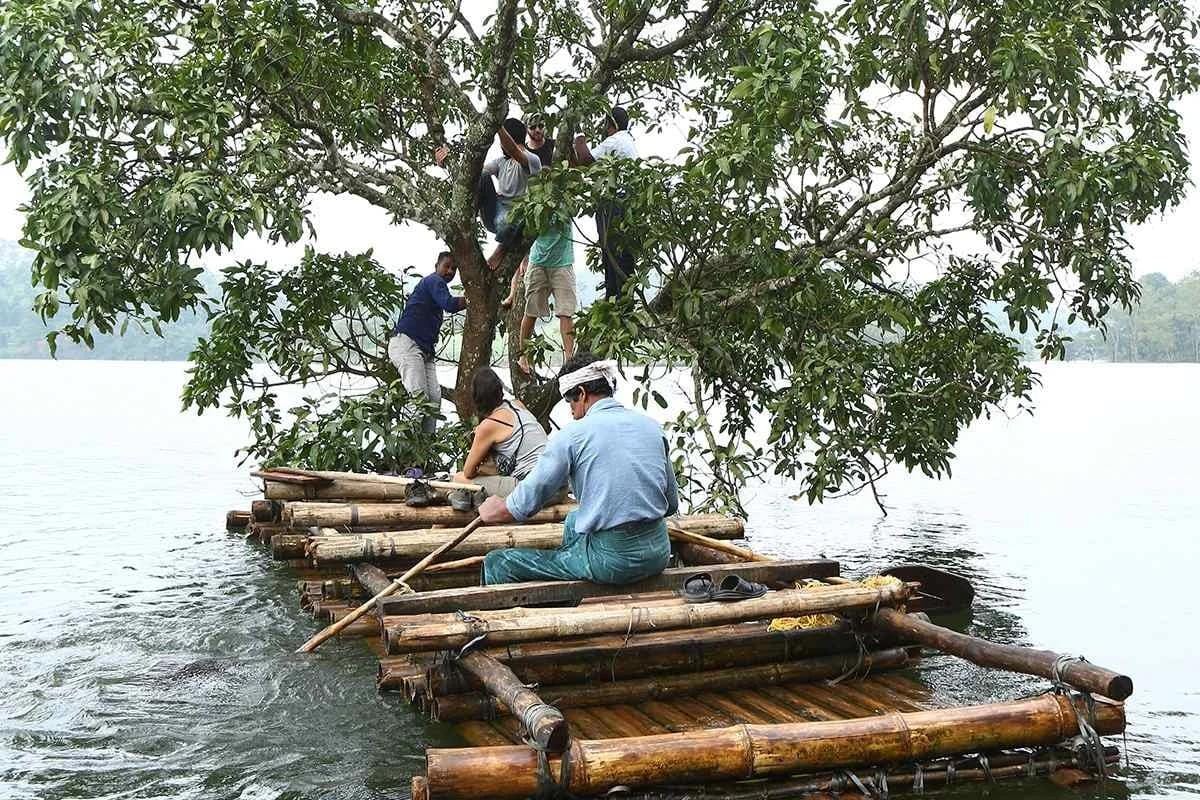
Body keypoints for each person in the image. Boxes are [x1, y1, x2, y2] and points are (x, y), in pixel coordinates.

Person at [477, 353, 679, 585]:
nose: (571, 411)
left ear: (582, 393)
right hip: (657, 553)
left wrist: (499, 508)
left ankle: (555, 596)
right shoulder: (652, 427)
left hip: (612, 562)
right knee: (574, 520)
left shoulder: (573, 435)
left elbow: (526, 500)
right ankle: (568, 582)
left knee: (497, 562)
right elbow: (671, 504)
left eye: (569, 401)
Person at [511, 118, 577, 374]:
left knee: (565, 313)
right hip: (539, 260)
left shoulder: (563, 198)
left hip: (562, 261)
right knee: (531, 312)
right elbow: (526, 229)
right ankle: (523, 357)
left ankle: (569, 359)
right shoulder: (534, 201)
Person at [438, 118, 541, 270]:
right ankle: (467, 217)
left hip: (517, 217)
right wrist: (446, 160)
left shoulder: (533, 160)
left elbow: (514, 151)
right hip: (495, 212)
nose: (500, 145)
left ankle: (502, 248)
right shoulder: (501, 162)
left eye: (502, 141)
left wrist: (497, 125)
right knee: (483, 176)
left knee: (508, 221)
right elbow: (472, 174)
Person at [388, 251, 466, 434]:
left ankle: (426, 446)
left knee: (433, 400)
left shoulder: (434, 288)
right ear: (436, 266)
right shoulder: (434, 281)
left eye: (454, 268)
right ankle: (404, 445)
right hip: (408, 344)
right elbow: (449, 304)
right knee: (419, 399)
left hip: (425, 351)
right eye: (446, 266)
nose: (450, 271)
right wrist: (471, 298)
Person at [451, 367, 550, 501]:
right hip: (556, 483)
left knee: (459, 478)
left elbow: (468, 472)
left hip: (533, 489)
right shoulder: (517, 405)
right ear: (499, 390)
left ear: (476, 399)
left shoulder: (489, 425)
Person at [572, 106, 638, 299]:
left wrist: (579, 135)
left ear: (611, 124)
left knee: (614, 255)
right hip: (626, 203)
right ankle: (618, 300)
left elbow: (585, 160)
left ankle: (619, 301)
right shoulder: (627, 140)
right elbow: (587, 166)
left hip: (615, 204)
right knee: (617, 255)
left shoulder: (615, 140)